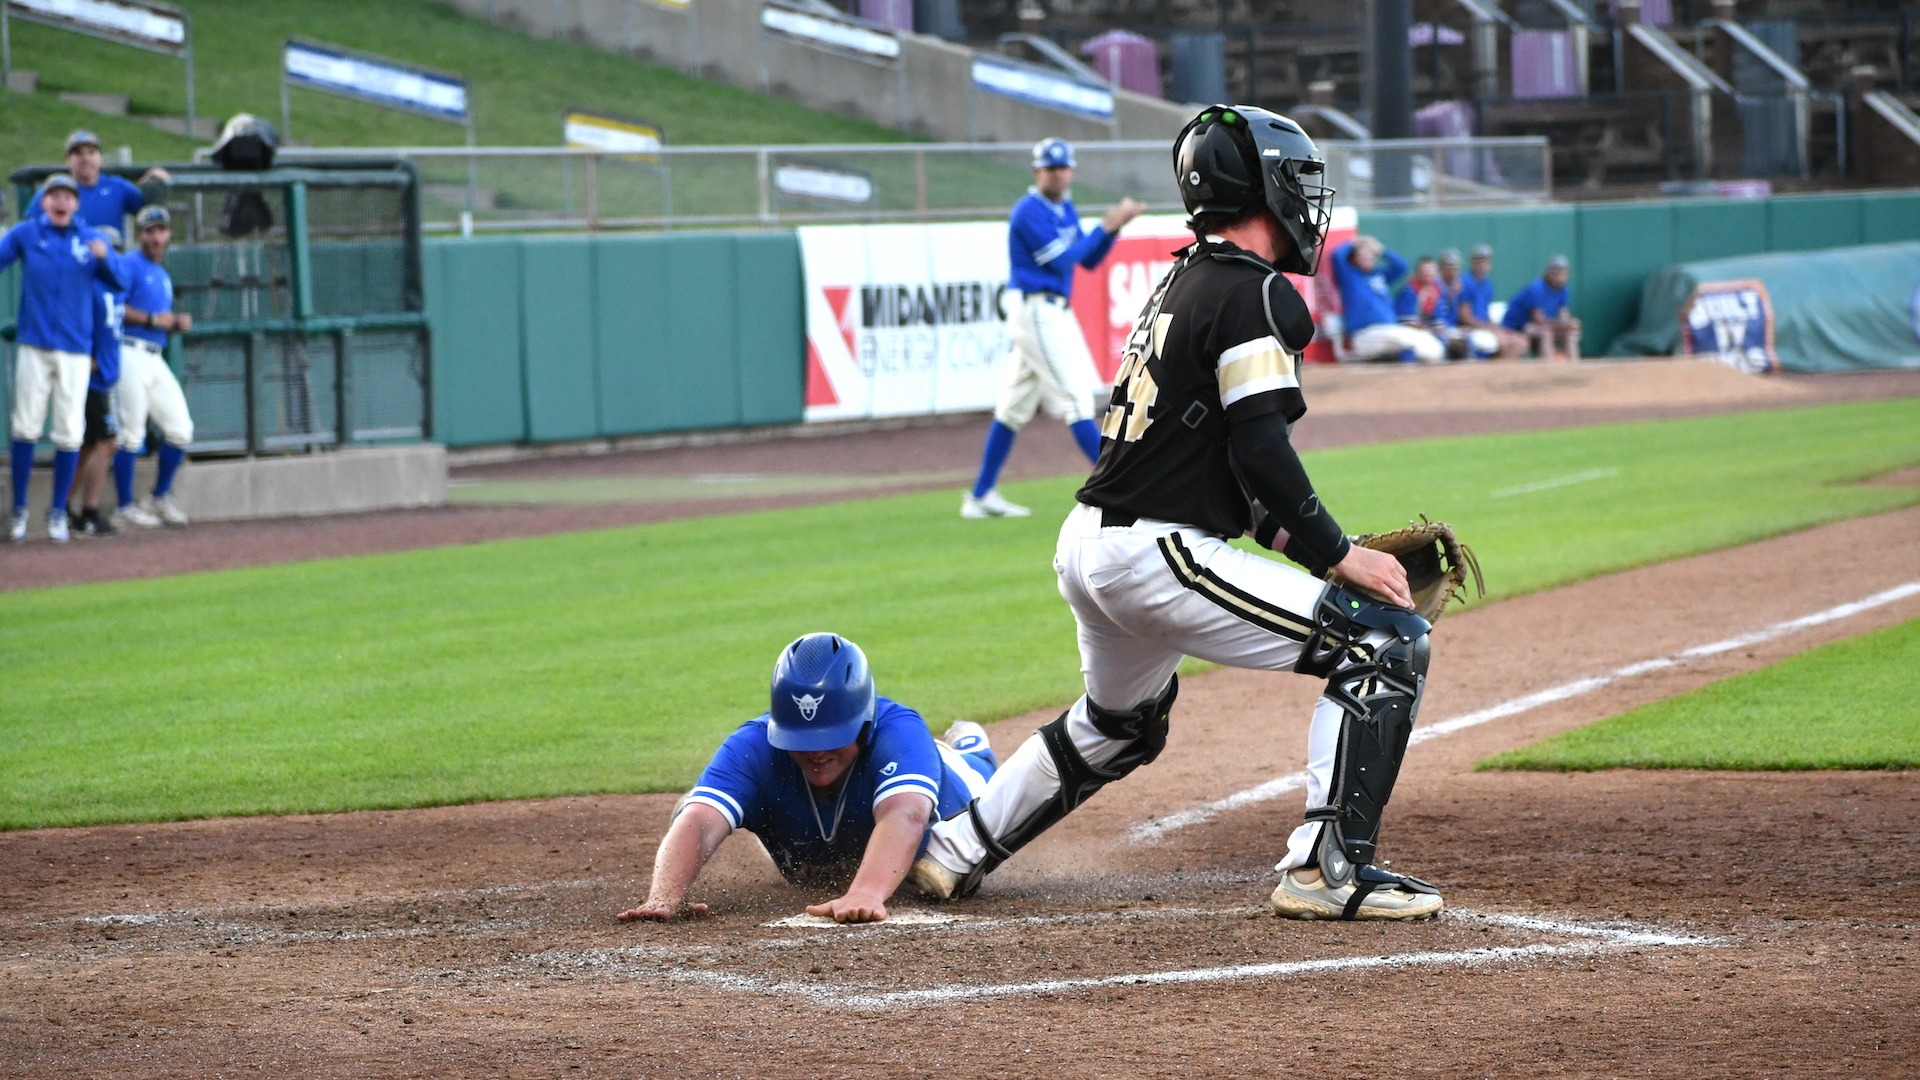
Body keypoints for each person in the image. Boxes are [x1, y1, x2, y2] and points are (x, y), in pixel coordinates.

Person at [910, 104, 1445, 922]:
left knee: (1119, 726)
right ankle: (1327, 867)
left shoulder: (1185, 281)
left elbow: (1225, 472)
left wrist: (1315, 551)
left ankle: (954, 849)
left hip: (1095, 542)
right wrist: (1340, 553)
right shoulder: (1254, 293)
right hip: (1155, 554)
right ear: (1261, 188)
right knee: (1385, 644)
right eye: (1297, 182)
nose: (1307, 201)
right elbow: (1261, 451)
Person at [617, 633, 998, 924]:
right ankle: (724, 796)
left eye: (833, 736)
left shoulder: (899, 731)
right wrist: (664, 898)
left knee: (982, 788)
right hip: (821, 834)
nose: (817, 751)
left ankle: (969, 742)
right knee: (695, 807)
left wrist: (865, 892)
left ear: (865, 722)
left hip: (958, 791)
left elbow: (907, 814)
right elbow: (700, 821)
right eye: (801, 739)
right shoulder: (754, 744)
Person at [962, 137, 1145, 519]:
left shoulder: (1065, 209)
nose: (1057, 174)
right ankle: (1122, 486)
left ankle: (980, 496)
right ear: (1037, 172)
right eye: (1050, 168)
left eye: (1062, 167)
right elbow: (1061, 261)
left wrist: (1112, 231)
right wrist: (1104, 226)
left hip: (1053, 310)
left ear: (1071, 171)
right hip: (1035, 309)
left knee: (1013, 407)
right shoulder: (1028, 210)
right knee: (1076, 399)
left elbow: (1088, 261)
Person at [4, 174, 127, 544]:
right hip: (35, 343)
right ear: (43, 202)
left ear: (76, 204)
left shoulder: (90, 238)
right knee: (25, 427)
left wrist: (106, 258)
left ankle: (58, 511)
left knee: (70, 431)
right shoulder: (27, 233)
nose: (60, 202)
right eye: (53, 195)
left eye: (67, 196)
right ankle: (20, 509)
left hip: (75, 349)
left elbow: (120, 282)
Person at [112, 205, 195, 529]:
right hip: (128, 351)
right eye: (149, 231)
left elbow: (159, 322)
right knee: (131, 432)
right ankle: (124, 505)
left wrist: (173, 324)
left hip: (154, 354)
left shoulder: (162, 274)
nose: (156, 237)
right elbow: (114, 307)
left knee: (180, 429)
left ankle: (159, 496)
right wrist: (151, 319)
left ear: (168, 234)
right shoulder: (128, 263)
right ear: (140, 234)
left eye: (161, 230)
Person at [67, 225, 127, 537]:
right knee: (102, 442)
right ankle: (85, 511)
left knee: (92, 444)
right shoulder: (89, 286)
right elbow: (76, 321)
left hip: (106, 375)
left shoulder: (116, 286)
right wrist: (86, 355)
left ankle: (67, 507)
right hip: (92, 376)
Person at [1328, 235, 1444, 363]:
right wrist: (1355, 241)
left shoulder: (1379, 275)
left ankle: (1405, 363)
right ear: (1355, 259)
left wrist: (1381, 250)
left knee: (1430, 343)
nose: (1368, 258)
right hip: (1365, 333)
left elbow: (1401, 267)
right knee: (1404, 341)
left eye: (1370, 255)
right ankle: (1405, 362)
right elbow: (1337, 256)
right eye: (1363, 256)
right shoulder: (1350, 277)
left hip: (1389, 328)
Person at [1502, 255, 1582, 362]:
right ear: (1548, 273)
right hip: (1517, 328)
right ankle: (1548, 367)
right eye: (1555, 273)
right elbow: (1538, 319)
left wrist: (1569, 324)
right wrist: (1559, 325)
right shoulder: (1536, 288)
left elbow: (1563, 315)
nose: (1559, 277)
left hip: (1540, 325)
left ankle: (1574, 366)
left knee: (1570, 332)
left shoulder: (1563, 290)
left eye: (1562, 273)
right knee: (1546, 332)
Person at [1432, 249, 1498, 360]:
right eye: (1449, 267)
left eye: (1455, 268)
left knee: (1468, 341)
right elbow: (1434, 317)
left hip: (1452, 328)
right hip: (1436, 329)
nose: (1453, 271)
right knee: (1448, 344)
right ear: (1442, 268)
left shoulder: (1455, 286)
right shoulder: (1434, 287)